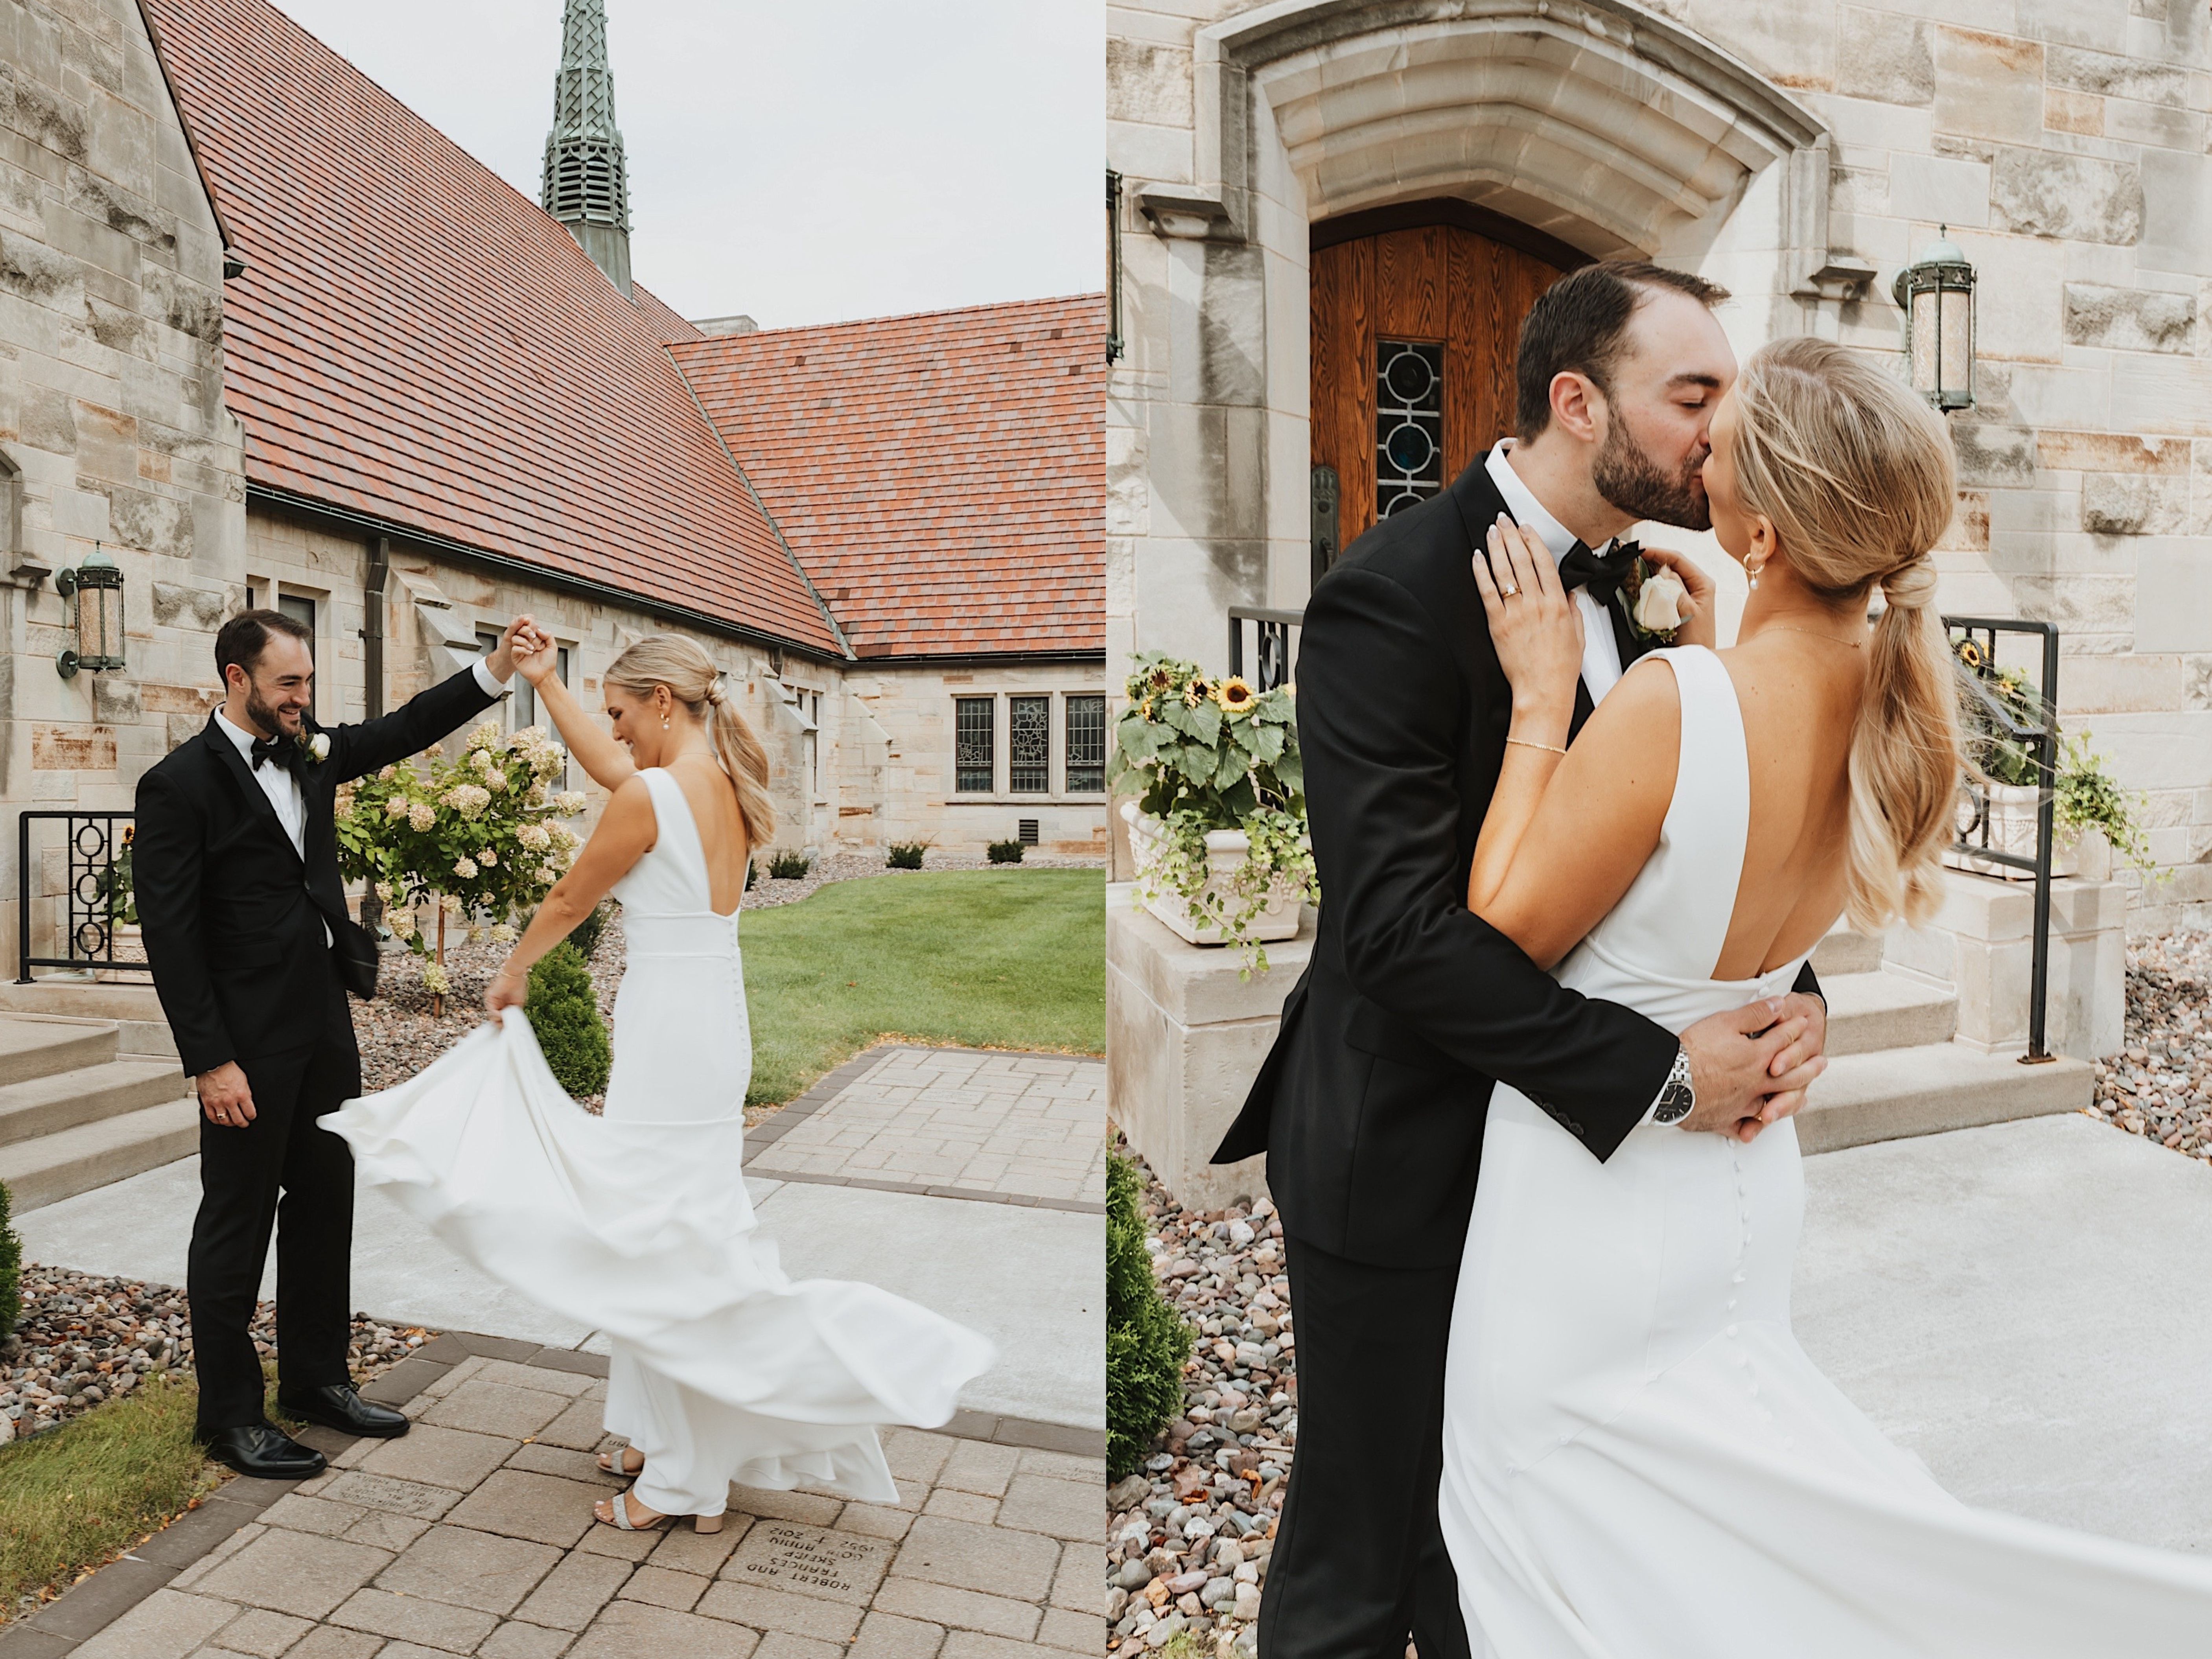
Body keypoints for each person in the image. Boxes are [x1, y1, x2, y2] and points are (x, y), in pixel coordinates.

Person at [1438, 334, 2212, 1653]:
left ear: (1761, 530)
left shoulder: (1673, 701)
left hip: (1590, 1205)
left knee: (1558, 1547)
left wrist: (1534, 701)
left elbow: (1498, 933)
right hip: (1738, 1187)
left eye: (1718, 450)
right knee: (1718, 1536)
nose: (1695, 458)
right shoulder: (1887, 701)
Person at [1210, 261, 1832, 1659]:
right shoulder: (1391, 594)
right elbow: (1394, 936)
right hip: (1408, 1145)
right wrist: (1662, 1074)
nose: (1718, 433)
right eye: (1692, 396)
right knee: (1365, 1547)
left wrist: (1787, 1004)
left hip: (1565, 1189)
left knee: (1500, 1530)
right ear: (1575, 401)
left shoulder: (1662, 598)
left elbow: (1677, 862)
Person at [330, 631, 993, 1532]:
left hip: (671, 1034)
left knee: (661, 1247)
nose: (614, 731)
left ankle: (684, 1478)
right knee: (665, 1232)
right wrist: (548, 685)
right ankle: (658, 1435)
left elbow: (571, 897)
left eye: (620, 712)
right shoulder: (718, 782)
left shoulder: (653, 794)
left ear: (662, 704)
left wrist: (514, 969)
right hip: (712, 1025)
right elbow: (615, 767)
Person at [134, 608, 531, 1477]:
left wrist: (495, 669)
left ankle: (315, 1382)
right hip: (242, 1042)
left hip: (321, 1019)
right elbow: (170, 936)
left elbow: (404, 728)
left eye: (307, 681)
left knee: (324, 1203)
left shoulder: (308, 747)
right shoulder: (177, 786)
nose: (303, 698)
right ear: (235, 679)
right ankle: (229, 1415)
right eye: (288, 683)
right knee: (235, 1225)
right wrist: (209, 1060)